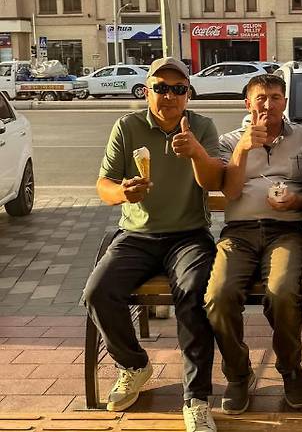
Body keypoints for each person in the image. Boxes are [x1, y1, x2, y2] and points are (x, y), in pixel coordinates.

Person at [83, 57, 224, 432]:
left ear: (188, 94)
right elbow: (103, 185)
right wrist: (123, 193)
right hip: (137, 235)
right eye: (161, 88)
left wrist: (196, 152)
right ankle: (134, 365)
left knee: (194, 295)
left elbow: (215, 182)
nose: (170, 96)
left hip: (189, 235)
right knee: (97, 292)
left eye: (178, 89)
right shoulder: (127, 126)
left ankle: (196, 398)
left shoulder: (202, 126)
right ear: (147, 91)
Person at [204, 74, 302, 415]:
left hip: (287, 231)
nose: (268, 104)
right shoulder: (229, 140)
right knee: (219, 296)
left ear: (285, 102)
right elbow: (231, 191)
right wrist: (243, 148)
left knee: (282, 293)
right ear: (248, 103)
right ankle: (238, 373)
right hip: (239, 233)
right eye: (261, 98)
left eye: (276, 97)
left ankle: (290, 367)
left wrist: (297, 200)